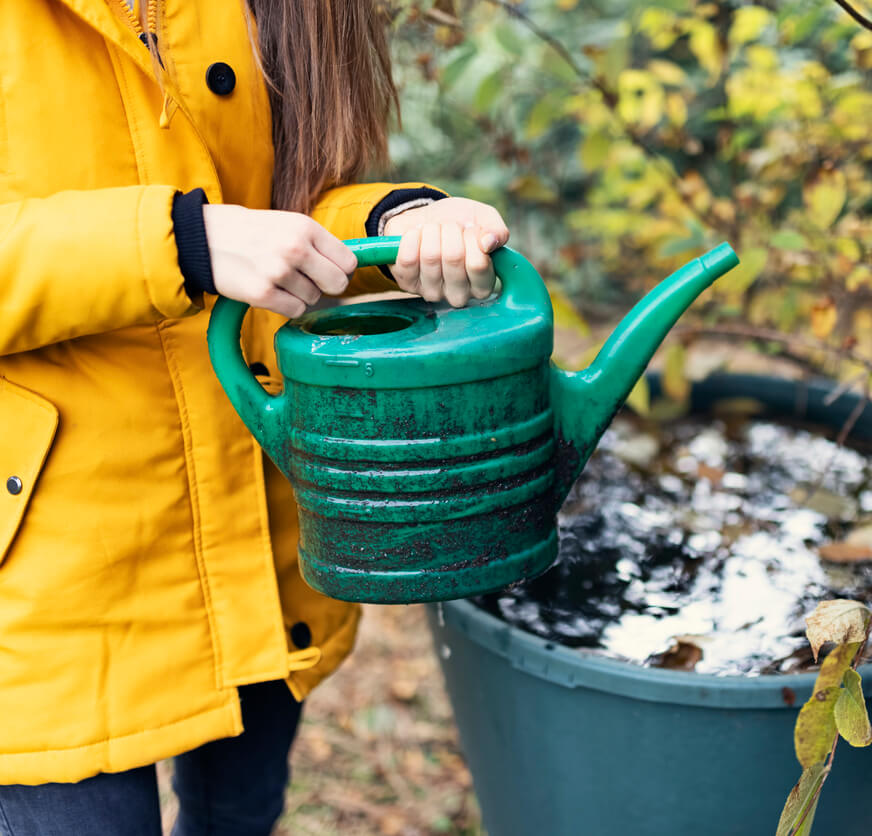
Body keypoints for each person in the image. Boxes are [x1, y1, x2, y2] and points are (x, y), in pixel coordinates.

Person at [0, 2, 509, 833]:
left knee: (240, 813)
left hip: (257, 534)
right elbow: (215, 236)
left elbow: (288, 203)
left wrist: (395, 221)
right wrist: (178, 241)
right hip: (45, 570)